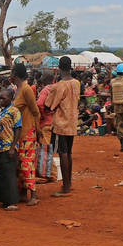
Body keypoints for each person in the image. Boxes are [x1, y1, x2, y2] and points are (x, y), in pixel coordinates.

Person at [46, 55, 79, 197]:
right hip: (72, 122)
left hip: (61, 123)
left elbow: (49, 104)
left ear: (59, 68)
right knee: (69, 152)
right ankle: (68, 183)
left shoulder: (59, 85)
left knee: (63, 152)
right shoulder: (76, 83)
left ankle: (65, 187)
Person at [10, 63, 40, 206]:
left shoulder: (26, 89)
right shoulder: (18, 89)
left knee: (26, 163)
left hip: (27, 131)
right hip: (18, 132)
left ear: (15, 74)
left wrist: (37, 130)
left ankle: (33, 193)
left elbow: (35, 111)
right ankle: (22, 192)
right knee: (19, 163)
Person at [0, 87, 22, 211]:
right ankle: (4, 199)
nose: (0, 100)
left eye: (3, 98)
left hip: (8, 146)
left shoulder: (14, 111)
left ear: (11, 98)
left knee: (9, 174)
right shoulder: (2, 111)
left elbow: (18, 128)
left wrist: (12, 147)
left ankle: (12, 202)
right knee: (1, 173)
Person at [109, 63, 123, 153]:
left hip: (117, 106)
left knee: (119, 125)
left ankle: (122, 145)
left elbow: (111, 94)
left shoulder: (112, 82)